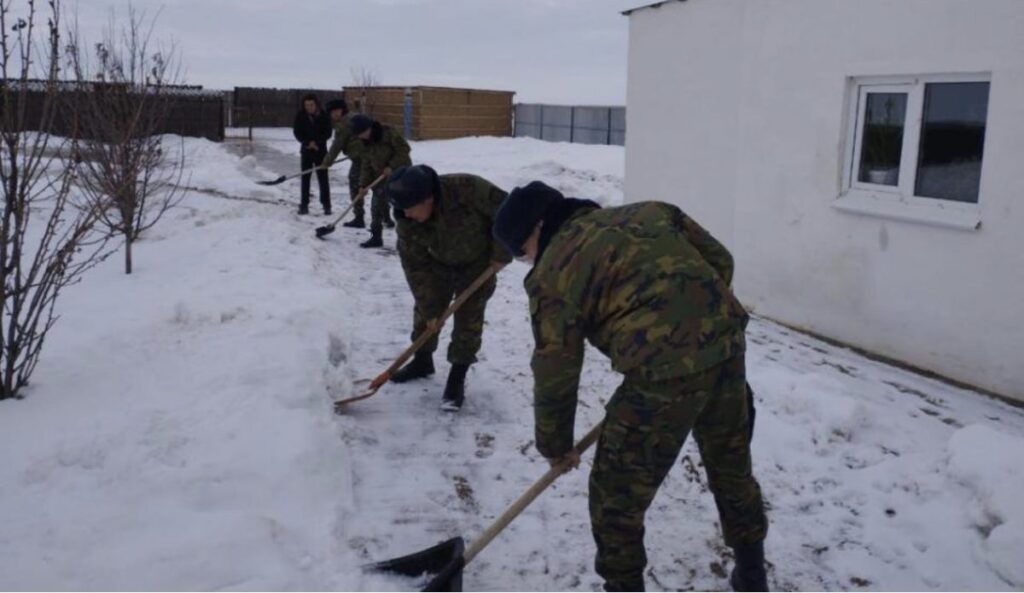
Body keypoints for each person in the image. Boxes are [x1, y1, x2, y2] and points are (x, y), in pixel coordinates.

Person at [492, 181, 769, 592]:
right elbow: (719, 260)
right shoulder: (651, 211)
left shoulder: (553, 273)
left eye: (521, 253)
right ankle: (752, 574)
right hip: (727, 344)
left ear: (535, 232)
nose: (526, 260)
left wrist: (555, 444)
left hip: (662, 373)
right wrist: (698, 318)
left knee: (615, 497)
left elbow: (556, 367)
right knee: (731, 465)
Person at [385, 165, 512, 411]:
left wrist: (501, 253)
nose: (406, 215)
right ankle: (422, 362)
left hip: (478, 263)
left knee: (468, 320)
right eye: (401, 210)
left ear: (428, 199)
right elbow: (415, 268)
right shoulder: (406, 220)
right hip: (436, 265)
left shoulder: (469, 188)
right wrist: (430, 309)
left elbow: (507, 212)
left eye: (410, 209)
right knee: (424, 316)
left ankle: (457, 376)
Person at [349, 114, 411, 248]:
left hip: (401, 175)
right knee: (376, 206)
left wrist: (392, 165)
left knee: (404, 208)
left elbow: (404, 150)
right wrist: (362, 185)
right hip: (380, 177)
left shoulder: (388, 133)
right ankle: (376, 237)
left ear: (368, 128)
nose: (360, 137)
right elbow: (366, 164)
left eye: (361, 133)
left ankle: (410, 238)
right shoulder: (365, 142)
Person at [322, 98, 366, 227]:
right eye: (332, 112)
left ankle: (359, 217)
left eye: (337, 110)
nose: (335, 114)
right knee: (377, 188)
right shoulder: (354, 116)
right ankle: (386, 218)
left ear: (343, 110)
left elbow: (337, 145)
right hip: (370, 156)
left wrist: (327, 162)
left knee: (355, 184)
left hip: (361, 159)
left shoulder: (344, 123)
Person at [291, 93, 332, 215]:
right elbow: (297, 132)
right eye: (307, 105)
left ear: (316, 104)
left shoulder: (324, 115)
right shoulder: (301, 116)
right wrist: (307, 142)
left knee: (323, 179)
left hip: (321, 151)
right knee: (305, 179)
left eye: (311, 105)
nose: (309, 107)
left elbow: (328, 132)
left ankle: (326, 205)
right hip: (306, 151)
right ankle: (304, 205)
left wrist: (317, 142)